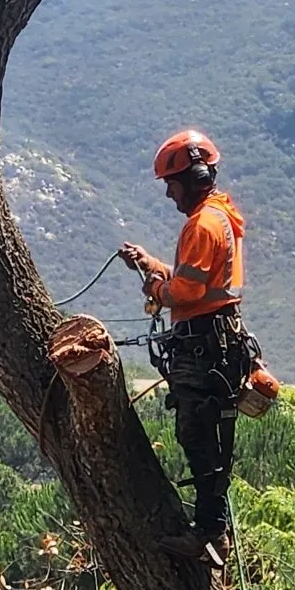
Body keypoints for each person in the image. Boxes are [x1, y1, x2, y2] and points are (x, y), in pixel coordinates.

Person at [118, 129, 246, 567]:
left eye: (172, 184)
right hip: (216, 342)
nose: (169, 194)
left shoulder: (203, 223)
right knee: (206, 436)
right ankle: (214, 528)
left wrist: (155, 284)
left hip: (205, 347)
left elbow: (187, 291)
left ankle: (210, 531)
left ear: (191, 177)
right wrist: (152, 266)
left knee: (197, 434)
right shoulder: (218, 218)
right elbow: (195, 279)